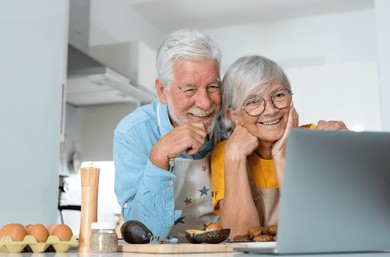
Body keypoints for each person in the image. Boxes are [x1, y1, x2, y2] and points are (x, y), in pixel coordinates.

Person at [211, 55, 347, 239]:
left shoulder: (317, 139)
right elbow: (240, 236)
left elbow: (313, 230)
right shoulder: (226, 153)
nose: (271, 110)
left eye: (279, 95)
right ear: (234, 115)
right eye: (253, 101)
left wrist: (282, 156)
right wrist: (235, 156)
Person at [113, 29, 223, 242]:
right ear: (162, 90)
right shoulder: (132, 133)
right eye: (190, 90)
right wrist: (159, 156)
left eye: (213, 87)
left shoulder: (230, 123)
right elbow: (144, 234)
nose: (206, 102)